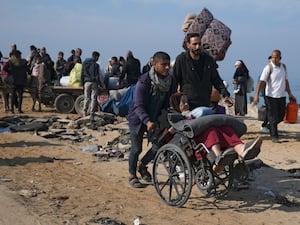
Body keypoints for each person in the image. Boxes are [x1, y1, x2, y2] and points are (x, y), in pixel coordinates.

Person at [173, 93, 262, 171]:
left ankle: (241, 149)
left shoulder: (194, 112)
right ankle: (218, 156)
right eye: (183, 102)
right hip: (196, 141)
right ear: (177, 106)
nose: (186, 104)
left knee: (226, 128)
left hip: (207, 138)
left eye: (186, 101)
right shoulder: (180, 119)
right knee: (211, 130)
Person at [127, 51, 177, 188]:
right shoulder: (144, 81)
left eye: (168, 65)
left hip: (156, 118)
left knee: (158, 145)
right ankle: (132, 175)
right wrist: (147, 121)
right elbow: (138, 105)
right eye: (163, 65)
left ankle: (142, 165)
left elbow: (169, 101)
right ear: (154, 64)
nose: (167, 68)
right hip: (138, 119)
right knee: (136, 148)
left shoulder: (170, 81)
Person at [173, 32, 233, 111]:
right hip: (188, 104)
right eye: (194, 44)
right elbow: (174, 80)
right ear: (188, 45)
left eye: (199, 44)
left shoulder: (207, 59)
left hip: (205, 102)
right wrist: (175, 102)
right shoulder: (181, 59)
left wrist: (226, 95)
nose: (198, 47)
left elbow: (216, 79)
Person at [253, 49, 296, 143]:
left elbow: (286, 81)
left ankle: (270, 126)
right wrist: (256, 95)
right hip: (270, 96)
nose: (274, 59)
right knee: (273, 116)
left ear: (280, 58)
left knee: (281, 115)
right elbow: (261, 82)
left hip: (281, 95)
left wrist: (290, 94)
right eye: (273, 57)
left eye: (276, 57)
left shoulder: (283, 67)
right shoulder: (268, 67)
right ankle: (274, 136)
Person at [81, 51, 101, 117]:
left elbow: (82, 73)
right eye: (98, 57)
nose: (98, 59)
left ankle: (84, 112)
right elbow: (98, 76)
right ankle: (92, 112)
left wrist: (82, 82)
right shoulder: (96, 65)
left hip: (86, 82)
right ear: (96, 57)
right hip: (94, 82)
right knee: (93, 98)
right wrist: (100, 84)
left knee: (86, 97)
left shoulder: (85, 63)